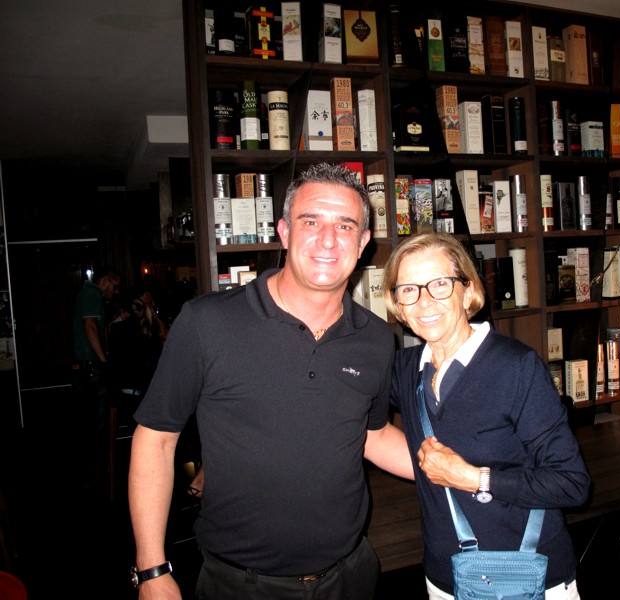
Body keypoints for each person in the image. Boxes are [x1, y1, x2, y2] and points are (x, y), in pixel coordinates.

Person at [128, 163, 413, 599]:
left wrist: (462, 469)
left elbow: (372, 435)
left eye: (345, 225)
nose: (328, 240)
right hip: (242, 584)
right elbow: (156, 439)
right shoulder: (208, 322)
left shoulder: (376, 338)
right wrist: (151, 570)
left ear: (362, 243)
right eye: (311, 221)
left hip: (351, 573)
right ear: (284, 232)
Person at [383, 233, 591, 600]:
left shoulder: (516, 367)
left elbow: (572, 484)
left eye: (440, 284)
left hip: (528, 578)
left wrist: (473, 478)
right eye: (409, 289)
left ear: (467, 291)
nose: (424, 301)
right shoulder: (404, 370)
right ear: (398, 304)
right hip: (446, 580)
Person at [71, 264, 121, 433]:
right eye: (115, 286)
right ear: (105, 281)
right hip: (90, 362)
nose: (116, 291)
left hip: (86, 361)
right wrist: (103, 360)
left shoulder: (89, 294)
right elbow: (90, 326)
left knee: (91, 412)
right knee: (98, 413)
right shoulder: (92, 295)